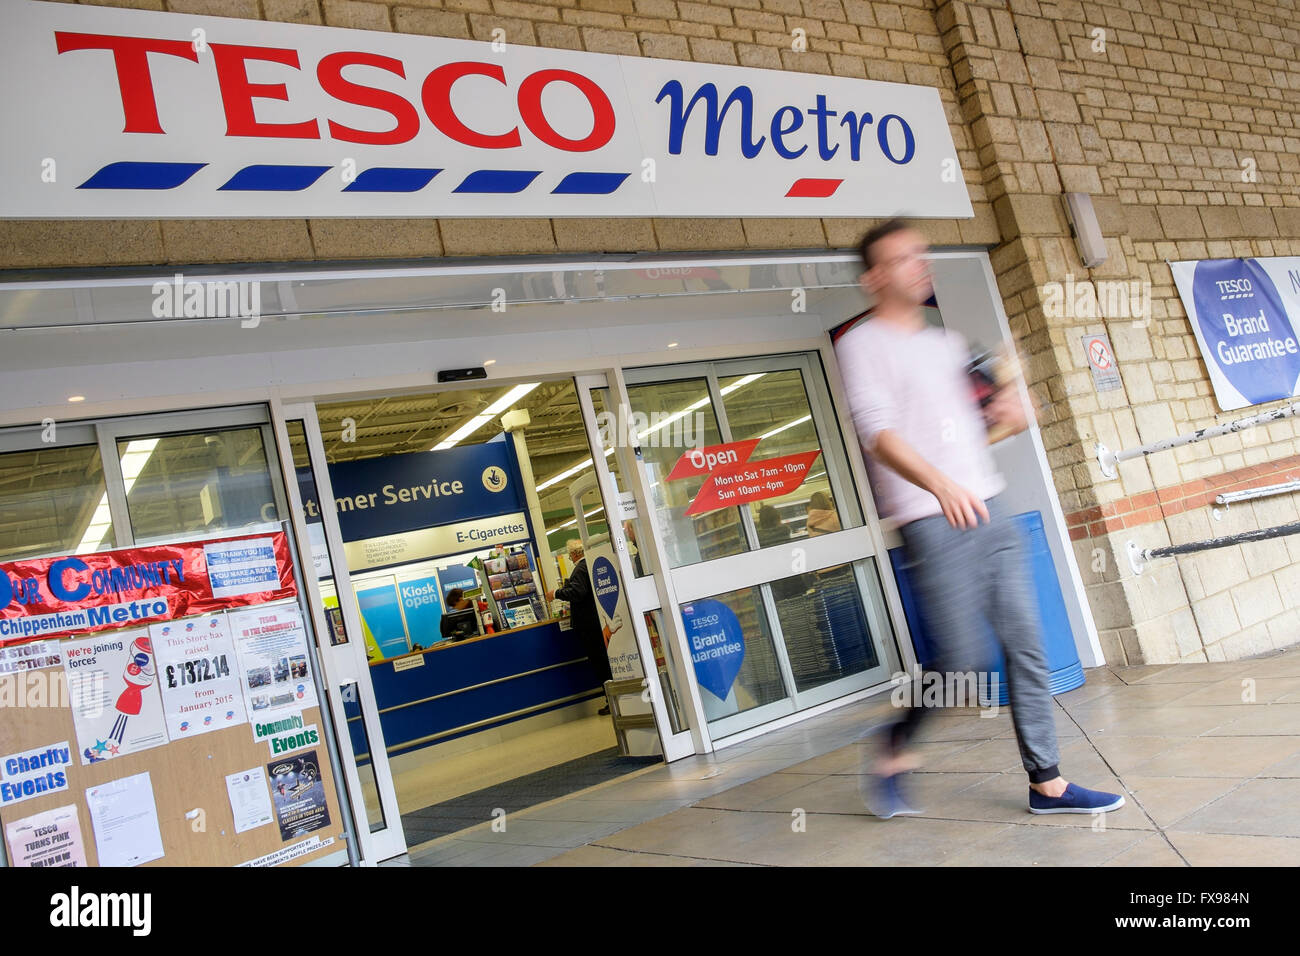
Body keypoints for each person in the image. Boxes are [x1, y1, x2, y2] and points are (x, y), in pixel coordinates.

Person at [835, 218, 1124, 818]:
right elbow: (878, 434)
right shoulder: (861, 345)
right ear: (873, 278)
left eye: (922, 253)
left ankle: (1047, 783)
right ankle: (895, 742)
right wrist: (941, 485)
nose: (921, 263)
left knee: (1026, 644)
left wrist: (1012, 416)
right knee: (961, 660)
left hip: (991, 508)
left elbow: (978, 433)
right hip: (929, 517)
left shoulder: (950, 345)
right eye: (903, 257)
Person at [546, 540, 615, 716]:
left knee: (600, 663)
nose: (570, 558)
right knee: (605, 661)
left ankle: (612, 701)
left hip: (588, 625)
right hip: (598, 622)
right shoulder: (591, 566)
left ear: (575, 554)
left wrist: (556, 593)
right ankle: (614, 699)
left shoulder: (580, 569)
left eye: (570, 555)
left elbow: (577, 592)